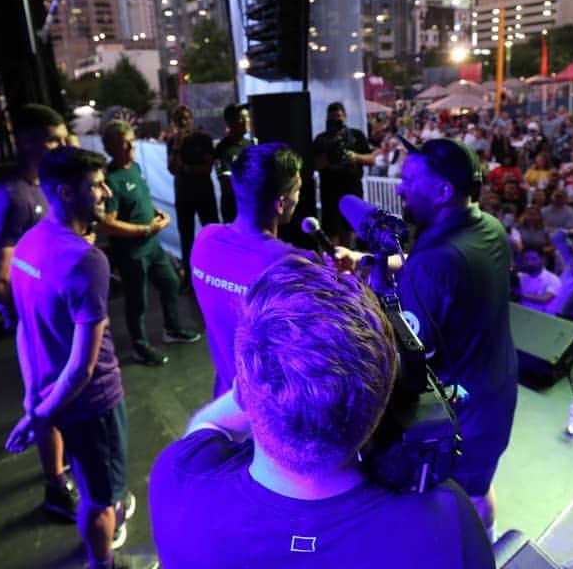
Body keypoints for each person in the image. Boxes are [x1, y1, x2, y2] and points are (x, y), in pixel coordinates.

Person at [149, 256, 494, 568]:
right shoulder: (448, 523)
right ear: (383, 404)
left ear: (241, 390)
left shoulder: (178, 481)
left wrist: (244, 391)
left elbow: (206, 426)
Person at [3, 146, 136, 569]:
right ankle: (104, 562)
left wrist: (34, 401)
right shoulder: (86, 260)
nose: (106, 195)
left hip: (50, 395)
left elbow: (24, 328)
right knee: (99, 500)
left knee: (89, 476)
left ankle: (108, 502)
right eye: (96, 186)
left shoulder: (28, 242)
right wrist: (38, 416)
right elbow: (84, 366)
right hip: (93, 405)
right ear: (64, 192)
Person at [390, 138, 517, 538]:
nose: (399, 188)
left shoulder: (435, 264)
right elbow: (443, 271)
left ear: (443, 191)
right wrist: (375, 263)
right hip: (495, 394)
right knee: (478, 491)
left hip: (459, 412)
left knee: (452, 508)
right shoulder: (489, 227)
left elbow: (408, 352)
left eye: (410, 180)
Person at [0, 103, 78, 520]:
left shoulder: (47, 185)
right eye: (52, 139)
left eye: (63, 137)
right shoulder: (12, 197)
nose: (61, 146)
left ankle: (64, 466)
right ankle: (56, 487)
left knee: (66, 395)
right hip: (39, 326)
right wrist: (25, 322)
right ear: (25, 140)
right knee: (47, 400)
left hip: (58, 319)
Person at [190, 143, 311, 397]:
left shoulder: (204, 241)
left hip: (226, 400)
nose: (299, 198)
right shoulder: (293, 264)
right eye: (298, 190)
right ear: (281, 203)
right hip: (275, 411)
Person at [100, 120, 201, 367]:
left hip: (151, 244)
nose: (130, 146)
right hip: (132, 252)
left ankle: (172, 329)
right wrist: (145, 228)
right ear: (110, 147)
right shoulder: (110, 180)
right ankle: (140, 346)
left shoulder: (133, 168)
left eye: (131, 140)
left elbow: (140, 199)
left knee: (170, 281)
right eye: (123, 142)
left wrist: (156, 214)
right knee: (138, 301)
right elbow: (107, 223)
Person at [167, 105, 219, 281]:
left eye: (186, 118)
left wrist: (187, 168)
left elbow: (207, 168)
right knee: (186, 237)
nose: (183, 122)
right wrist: (176, 146)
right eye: (179, 119)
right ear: (174, 122)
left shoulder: (203, 140)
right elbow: (172, 168)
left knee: (211, 233)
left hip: (204, 194)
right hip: (183, 195)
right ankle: (190, 278)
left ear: (192, 119)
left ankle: (216, 272)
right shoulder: (172, 142)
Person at [312, 102, 374, 246]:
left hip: (352, 190)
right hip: (330, 194)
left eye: (338, 117)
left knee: (349, 231)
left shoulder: (356, 136)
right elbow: (313, 165)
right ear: (327, 118)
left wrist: (355, 157)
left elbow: (372, 159)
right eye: (332, 117)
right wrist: (329, 156)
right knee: (331, 234)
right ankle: (334, 265)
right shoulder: (321, 139)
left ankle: (348, 261)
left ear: (345, 117)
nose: (335, 120)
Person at [213, 103, 255, 222]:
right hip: (234, 210)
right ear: (230, 123)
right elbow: (226, 184)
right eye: (241, 118)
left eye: (247, 117)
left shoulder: (251, 145)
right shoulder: (222, 149)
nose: (246, 120)